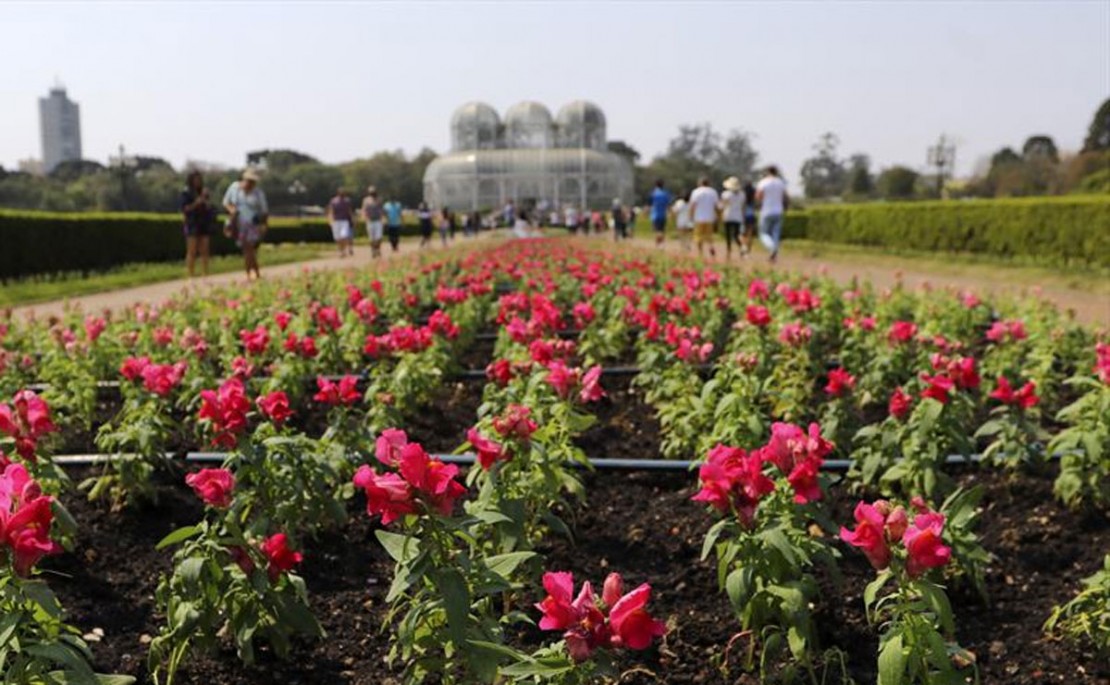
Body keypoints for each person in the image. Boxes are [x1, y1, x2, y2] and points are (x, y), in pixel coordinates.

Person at [222, 169, 268, 280]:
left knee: (249, 248)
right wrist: (232, 210)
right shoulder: (234, 188)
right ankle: (254, 273)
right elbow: (226, 202)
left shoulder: (258, 193)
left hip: (252, 224)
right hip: (238, 223)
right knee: (247, 249)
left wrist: (264, 225)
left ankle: (251, 273)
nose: (251, 184)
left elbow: (264, 211)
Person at [180, 170, 214, 277]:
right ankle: (190, 274)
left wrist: (206, 201)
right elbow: (185, 209)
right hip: (192, 223)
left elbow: (209, 207)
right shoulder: (186, 192)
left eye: (199, 179)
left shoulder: (203, 192)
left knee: (205, 250)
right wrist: (196, 203)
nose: (197, 181)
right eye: (195, 179)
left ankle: (205, 273)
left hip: (203, 222)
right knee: (192, 251)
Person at [755, 166, 789, 262]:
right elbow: (785, 197)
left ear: (768, 172)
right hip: (778, 211)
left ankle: (772, 248)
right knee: (776, 234)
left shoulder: (763, 182)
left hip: (767, 210)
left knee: (763, 233)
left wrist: (760, 202)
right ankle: (774, 252)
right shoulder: (780, 182)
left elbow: (758, 196)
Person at [688, 176, 720, 257]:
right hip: (710, 217)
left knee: (698, 236)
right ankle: (711, 247)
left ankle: (700, 252)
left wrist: (690, 215)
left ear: (700, 183)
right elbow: (716, 206)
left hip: (698, 217)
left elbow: (693, 205)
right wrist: (718, 216)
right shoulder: (713, 192)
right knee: (709, 236)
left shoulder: (696, 192)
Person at [720, 177, 746, 258]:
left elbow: (723, 206)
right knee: (736, 235)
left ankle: (729, 250)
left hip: (728, 215)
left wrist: (721, 215)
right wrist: (743, 216)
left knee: (728, 234)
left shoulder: (726, 194)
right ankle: (741, 247)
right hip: (738, 216)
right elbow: (742, 207)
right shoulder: (742, 194)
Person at [326, 187, 355, 257]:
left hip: (344, 221)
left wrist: (352, 219)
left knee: (344, 236)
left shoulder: (347, 201)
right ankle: (340, 250)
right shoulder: (333, 201)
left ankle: (343, 250)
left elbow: (349, 211)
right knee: (337, 238)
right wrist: (330, 220)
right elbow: (331, 211)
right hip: (336, 221)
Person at [360, 186, 385, 258]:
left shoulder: (379, 199)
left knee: (379, 237)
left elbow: (382, 210)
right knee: (371, 238)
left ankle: (378, 249)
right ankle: (373, 250)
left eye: (373, 192)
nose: (372, 193)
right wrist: (364, 217)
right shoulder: (366, 200)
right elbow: (364, 209)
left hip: (378, 221)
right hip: (370, 221)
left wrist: (383, 218)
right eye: (371, 192)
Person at [649, 179, 672, 246]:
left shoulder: (653, 193)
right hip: (663, 215)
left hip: (655, 215)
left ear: (656, 185)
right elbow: (668, 205)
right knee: (662, 230)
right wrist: (670, 213)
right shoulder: (666, 194)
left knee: (657, 230)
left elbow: (650, 204)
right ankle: (661, 243)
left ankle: (658, 244)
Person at [742, 180, 757, 256]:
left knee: (743, 233)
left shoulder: (743, 197)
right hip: (751, 215)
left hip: (744, 215)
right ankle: (748, 249)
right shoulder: (753, 199)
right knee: (750, 233)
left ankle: (744, 247)